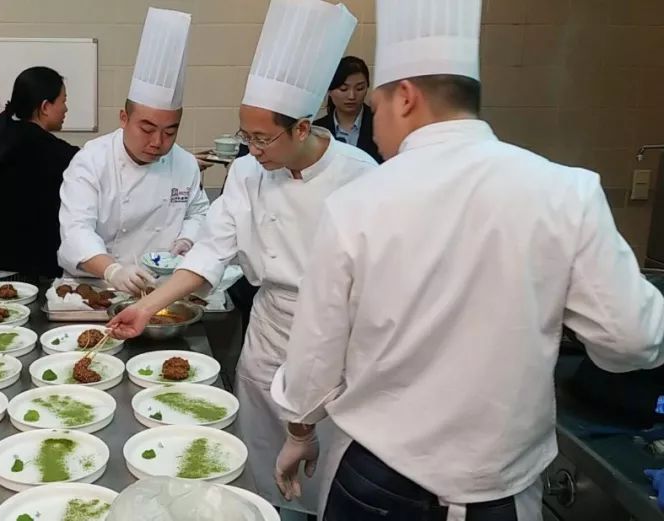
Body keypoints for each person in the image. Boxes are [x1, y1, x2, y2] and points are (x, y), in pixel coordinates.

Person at [270, 1, 664, 520]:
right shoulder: (567, 192)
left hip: (379, 483)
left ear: (406, 98)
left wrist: (300, 430)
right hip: (500, 493)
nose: (377, 124)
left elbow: (316, 360)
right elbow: (633, 338)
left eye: (380, 107)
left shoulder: (357, 203)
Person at [108, 1, 368, 518]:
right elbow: (210, 250)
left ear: (302, 128)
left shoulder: (360, 176)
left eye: (261, 137)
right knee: (258, 473)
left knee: (324, 478)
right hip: (268, 335)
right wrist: (147, 306)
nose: (252, 148)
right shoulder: (249, 172)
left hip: (337, 345)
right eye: (245, 135)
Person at [58, 7, 209, 295]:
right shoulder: (91, 161)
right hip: (93, 287)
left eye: (170, 131)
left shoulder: (184, 163)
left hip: (161, 289)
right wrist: (112, 270)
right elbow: (76, 230)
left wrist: (187, 239)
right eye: (148, 128)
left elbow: (198, 212)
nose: (158, 142)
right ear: (124, 118)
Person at [0, 66, 79, 286]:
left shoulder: (1, 133)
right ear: (45, 107)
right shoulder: (49, 150)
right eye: (63, 101)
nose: (66, 108)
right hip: (2, 272)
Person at [313, 56, 382, 163]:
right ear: (329, 90)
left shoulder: (381, 124)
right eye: (343, 89)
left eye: (360, 88)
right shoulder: (317, 130)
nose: (352, 96)